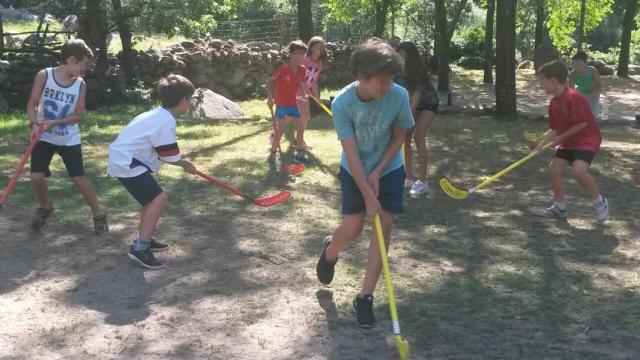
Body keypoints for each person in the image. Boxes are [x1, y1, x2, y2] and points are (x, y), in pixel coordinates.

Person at [315, 38, 414, 328]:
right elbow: (351, 152)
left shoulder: (398, 95)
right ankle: (330, 251)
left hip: (390, 168)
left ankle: (365, 297)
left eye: (391, 81)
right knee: (354, 227)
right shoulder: (343, 103)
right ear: (362, 77)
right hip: (354, 168)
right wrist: (367, 191)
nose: (387, 88)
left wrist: (380, 169)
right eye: (381, 82)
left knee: (382, 226)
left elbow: (399, 136)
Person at [108, 74, 197, 269]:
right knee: (159, 199)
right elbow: (168, 155)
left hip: (125, 160)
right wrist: (185, 164)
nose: (190, 103)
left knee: (150, 200)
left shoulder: (158, 114)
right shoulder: (166, 121)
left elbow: (160, 149)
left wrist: (180, 162)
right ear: (183, 100)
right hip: (127, 162)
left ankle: (144, 239)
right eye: (190, 99)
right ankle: (140, 248)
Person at [26, 39, 108, 234]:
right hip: (43, 137)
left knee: (79, 178)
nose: (84, 71)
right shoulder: (44, 76)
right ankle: (45, 207)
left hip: (68, 138)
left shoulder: (80, 84)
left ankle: (98, 214)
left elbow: (78, 115)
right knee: (36, 177)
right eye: (83, 66)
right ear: (71, 59)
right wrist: (34, 123)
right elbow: (32, 104)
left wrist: (53, 123)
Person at [535, 60, 609, 223]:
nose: (540, 85)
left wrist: (560, 138)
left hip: (586, 139)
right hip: (568, 140)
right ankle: (559, 207)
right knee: (554, 169)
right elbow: (554, 128)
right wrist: (541, 144)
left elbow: (582, 124)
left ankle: (599, 202)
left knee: (579, 171)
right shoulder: (554, 103)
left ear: (553, 81)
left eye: (541, 80)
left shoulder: (575, 98)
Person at [396, 41, 439, 197]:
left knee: (418, 136)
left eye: (402, 56)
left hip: (429, 102)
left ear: (410, 58)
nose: (400, 59)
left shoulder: (416, 73)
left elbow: (415, 99)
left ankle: (422, 182)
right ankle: (408, 176)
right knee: (405, 137)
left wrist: (404, 116)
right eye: (398, 55)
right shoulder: (400, 72)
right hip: (415, 103)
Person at [266, 40, 309, 167]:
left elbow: (301, 82)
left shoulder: (302, 69)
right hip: (282, 104)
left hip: (293, 104)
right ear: (290, 54)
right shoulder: (283, 69)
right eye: (297, 54)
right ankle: (273, 155)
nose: (300, 57)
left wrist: (303, 93)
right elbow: (270, 82)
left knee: (300, 128)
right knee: (280, 129)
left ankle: (299, 155)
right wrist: (270, 98)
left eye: (303, 54)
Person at [295, 36, 327, 153]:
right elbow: (299, 78)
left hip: (305, 93)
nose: (320, 49)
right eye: (317, 46)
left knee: (306, 116)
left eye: (322, 47)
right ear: (311, 47)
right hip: (296, 91)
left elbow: (314, 82)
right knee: (299, 117)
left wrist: (317, 97)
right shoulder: (304, 60)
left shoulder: (319, 64)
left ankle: (298, 140)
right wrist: (305, 91)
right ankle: (298, 141)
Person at [568, 51, 602, 119]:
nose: (576, 66)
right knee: (578, 114)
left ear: (585, 63)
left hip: (593, 93)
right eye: (574, 63)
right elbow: (571, 90)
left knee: (592, 115)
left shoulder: (592, 70)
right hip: (580, 94)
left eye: (578, 63)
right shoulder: (572, 74)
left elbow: (599, 85)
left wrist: (590, 95)